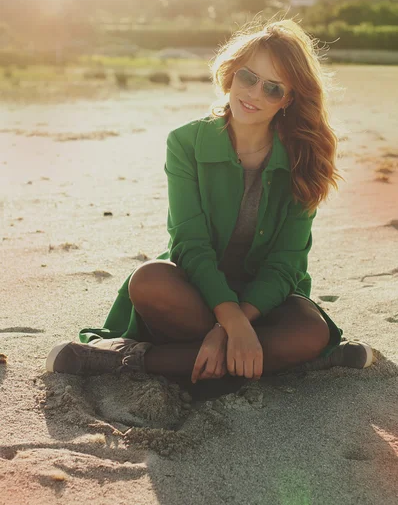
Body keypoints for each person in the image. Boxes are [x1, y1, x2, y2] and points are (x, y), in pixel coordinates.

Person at [46, 19, 374, 383]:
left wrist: (230, 328)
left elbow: (286, 263)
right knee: (148, 280)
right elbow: (190, 244)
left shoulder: (305, 158)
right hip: (195, 294)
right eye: (248, 78)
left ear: (289, 100)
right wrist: (227, 321)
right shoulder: (185, 142)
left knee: (309, 330)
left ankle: (128, 362)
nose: (253, 95)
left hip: (265, 304)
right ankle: (298, 361)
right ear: (232, 74)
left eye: (273, 88)